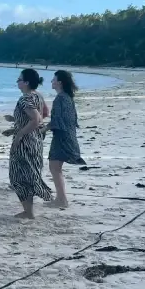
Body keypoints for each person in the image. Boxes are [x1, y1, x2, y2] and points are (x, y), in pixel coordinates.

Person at [5, 68, 53, 219]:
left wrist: (19, 135)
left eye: (19, 79)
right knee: (28, 173)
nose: (17, 82)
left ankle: (29, 211)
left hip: (26, 142)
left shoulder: (25, 99)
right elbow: (41, 115)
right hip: (35, 139)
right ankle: (28, 211)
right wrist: (16, 122)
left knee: (18, 177)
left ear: (26, 82)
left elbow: (36, 119)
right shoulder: (37, 96)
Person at [46, 70, 85, 208]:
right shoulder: (68, 97)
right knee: (56, 168)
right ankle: (61, 198)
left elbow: (57, 120)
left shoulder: (60, 98)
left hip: (62, 137)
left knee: (54, 167)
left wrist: (44, 129)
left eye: (53, 79)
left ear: (60, 82)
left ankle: (61, 200)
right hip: (68, 135)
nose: (51, 81)